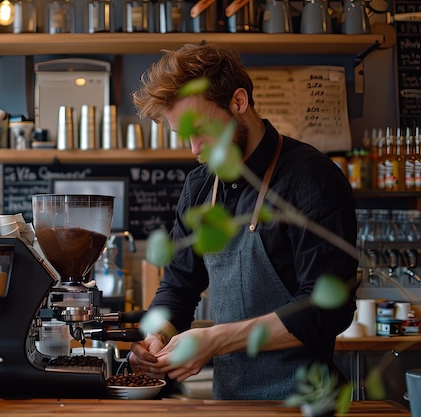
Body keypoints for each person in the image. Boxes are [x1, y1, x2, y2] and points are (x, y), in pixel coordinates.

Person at [128, 43, 359, 400]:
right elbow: (179, 285)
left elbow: (327, 308)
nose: (193, 148)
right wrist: (155, 335)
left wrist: (216, 339)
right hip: (232, 403)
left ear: (238, 102)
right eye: (182, 135)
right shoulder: (201, 185)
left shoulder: (311, 178)